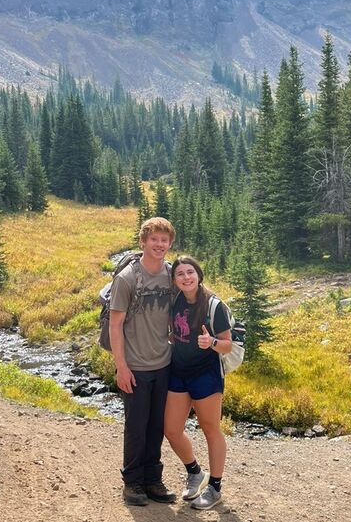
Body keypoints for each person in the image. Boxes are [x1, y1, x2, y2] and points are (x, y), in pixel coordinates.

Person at [109, 217, 177, 506]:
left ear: (169, 244)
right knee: (136, 426)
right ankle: (132, 483)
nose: (159, 245)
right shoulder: (126, 278)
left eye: (164, 240)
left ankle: (152, 479)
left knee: (156, 426)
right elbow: (115, 325)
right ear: (143, 242)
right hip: (135, 366)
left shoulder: (171, 274)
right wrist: (121, 367)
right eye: (154, 239)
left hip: (164, 363)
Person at [164, 255, 232, 511]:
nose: (186, 277)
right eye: (180, 274)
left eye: (190, 272)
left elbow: (228, 345)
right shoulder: (175, 301)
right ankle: (195, 472)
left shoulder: (215, 306)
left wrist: (211, 342)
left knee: (210, 428)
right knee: (170, 429)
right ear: (175, 280)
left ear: (199, 275)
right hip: (179, 372)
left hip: (206, 374)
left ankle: (215, 487)